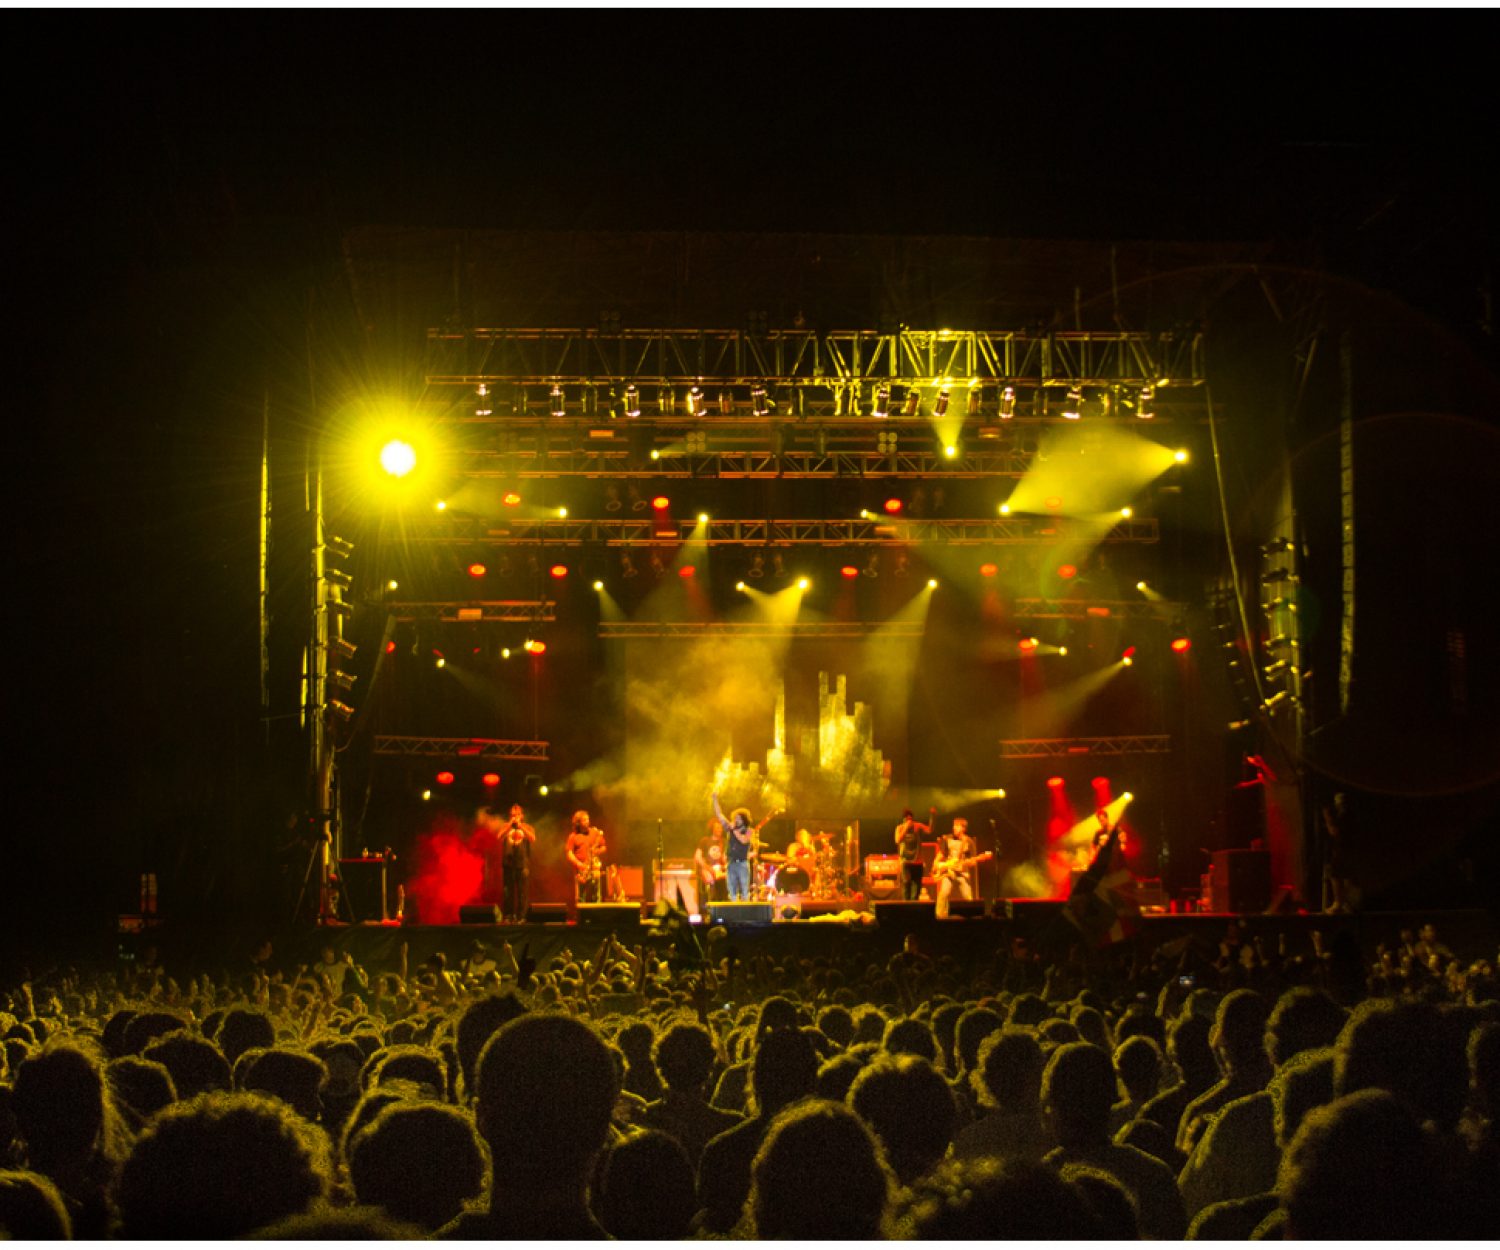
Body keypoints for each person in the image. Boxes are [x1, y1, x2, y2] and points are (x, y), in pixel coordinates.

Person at [711, 792, 755, 903]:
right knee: (732, 892)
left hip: (742, 864)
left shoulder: (749, 831)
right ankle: (734, 911)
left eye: (738, 818)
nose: (735, 820)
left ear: (744, 819)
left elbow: (743, 840)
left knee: (745, 891)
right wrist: (715, 800)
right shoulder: (731, 828)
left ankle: (745, 913)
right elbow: (719, 815)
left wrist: (734, 829)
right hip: (731, 863)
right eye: (735, 818)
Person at [933, 818, 977, 919]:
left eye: (957, 825)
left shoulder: (969, 842)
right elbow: (942, 853)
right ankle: (939, 916)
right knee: (944, 892)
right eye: (954, 825)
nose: (954, 827)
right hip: (949, 871)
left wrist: (968, 863)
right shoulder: (947, 838)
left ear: (963, 828)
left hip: (962, 873)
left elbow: (973, 861)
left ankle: (971, 917)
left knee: (968, 897)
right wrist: (935, 862)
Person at [498, 804, 536, 922]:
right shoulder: (505, 826)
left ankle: (521, 916)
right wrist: (510, 825)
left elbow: (532, 838)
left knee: (522, 892)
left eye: (517, 815)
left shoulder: (527, 827)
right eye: (513, 815)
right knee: (508, 891)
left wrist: (520, 827)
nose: (515, 817)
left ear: (522, 815)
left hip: (523, 863)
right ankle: (509, 916)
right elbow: (499, 837)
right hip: (508, 863)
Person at [564, 810, 607, 905]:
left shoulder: (595, 833)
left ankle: (597, 917)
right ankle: (581, 918)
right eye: (584, 820)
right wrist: (578, 864)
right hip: (581, 870)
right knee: (580, 897)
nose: (587, 821)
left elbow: (604, 847)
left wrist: (596, 851)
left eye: (588, 819)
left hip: (594, 869)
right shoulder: (573, 836)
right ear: (578, 823)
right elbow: (569, 853)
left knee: (596, 896)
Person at [894, 809, 932, 901]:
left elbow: (929, 830)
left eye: (911, 819)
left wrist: (932, 817)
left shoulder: (917, 826)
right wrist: (906, 828)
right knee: (906, 883)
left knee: (917, 887)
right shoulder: (900, 828)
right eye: (907, 819)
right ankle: (905, 907)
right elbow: (898, 840)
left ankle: (913, 906)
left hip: (917, 862)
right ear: (904, 820)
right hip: (906, 862)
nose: (909, 821)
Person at [694, 819, 729, 908]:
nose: (719, 829)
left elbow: (725, 858)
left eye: (721, 828)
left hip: (720, 872)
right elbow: (697, 857)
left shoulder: (724, 842)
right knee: (708, 893)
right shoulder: (705, 841)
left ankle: (723, 905)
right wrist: (707, 867)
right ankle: (707, 907)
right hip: (708, 871)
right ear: (712, 828)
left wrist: (726, 864)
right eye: (717, 827)